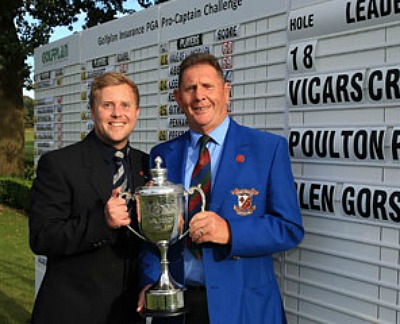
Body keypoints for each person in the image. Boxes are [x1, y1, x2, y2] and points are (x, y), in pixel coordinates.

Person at [137, 53, 304, 323]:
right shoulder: (163, 155)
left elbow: (289, 228)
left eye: (208, 86)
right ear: (179, 99)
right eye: (190, 88)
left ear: (226, 92)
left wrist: (229, 232)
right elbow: (152, 232)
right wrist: (149, 280)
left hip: (243, 307)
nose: (199, 96)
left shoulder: (267, 149)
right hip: (177, 308)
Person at [29, 72, 149, 324]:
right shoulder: (60, 164)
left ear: (136, 112)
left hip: (129, 315)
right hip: (72, 313)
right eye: (108, 105)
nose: (117, 113)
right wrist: (101, 222)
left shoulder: (146, 166)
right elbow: (42, 237)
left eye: (125, 105)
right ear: (93, 113)